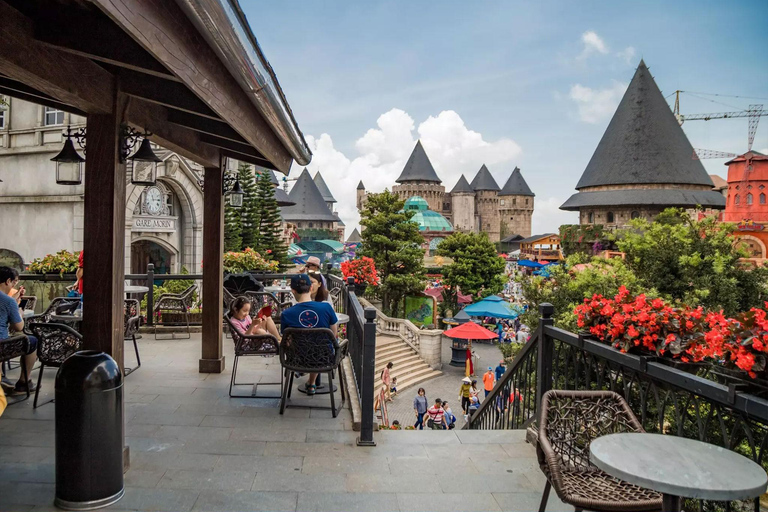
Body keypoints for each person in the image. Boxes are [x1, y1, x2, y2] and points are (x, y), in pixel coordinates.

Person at [280, 274, 338, 395]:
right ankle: (311, 383)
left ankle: (309, 382)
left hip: (296, 360)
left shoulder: (287, 314)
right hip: (325, 359)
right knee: (319, 344)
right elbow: (334, 334)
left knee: (305, 346)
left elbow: (287, 341)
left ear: (293, 291)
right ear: (311, 288)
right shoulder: (326, 308)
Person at [0, 267, 37, 395]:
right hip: (2, 345)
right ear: (8, 281)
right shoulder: (8, 301)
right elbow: (18, 327)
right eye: (14, 282)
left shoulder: (9, 301)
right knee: (32, 341)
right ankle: (24, 382)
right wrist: (19, 314)